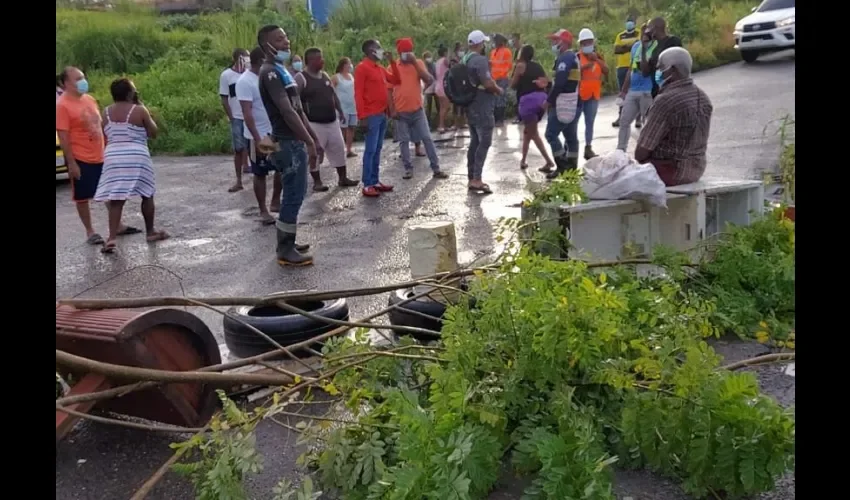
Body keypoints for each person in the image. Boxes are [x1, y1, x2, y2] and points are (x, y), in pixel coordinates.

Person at [257, 25, 321, 266]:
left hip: (294, 140)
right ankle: (285, 250)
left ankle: (288, 241)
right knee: (293, 195)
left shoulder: (281, 70)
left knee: (296, 192)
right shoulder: (270, 73)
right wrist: (307, 140)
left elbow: (297, 108)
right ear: (266, 45)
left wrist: (312, 137)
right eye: (279, 39)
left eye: (285, 37)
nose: (286, 42)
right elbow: (286, 111)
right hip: (287, 142)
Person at [57, 66, 137, 246]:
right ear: (65, 83)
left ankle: (118, 225)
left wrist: (110, 148)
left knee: (110, 190)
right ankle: (90, 231)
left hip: (101, 154)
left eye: (82, 77)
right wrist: (72, 164)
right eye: (77, 79)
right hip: (80, 157)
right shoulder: (62, 105)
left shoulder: (89, 99)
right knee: (83, 195)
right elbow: (63, 137)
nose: (82, 82)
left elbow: (100, 127)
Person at [93, 78, 168, 252]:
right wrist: (140, 104)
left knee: (116, 199)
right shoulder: (139, 110)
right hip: (136, 156)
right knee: (147, 194)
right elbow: (153, 132)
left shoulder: (106, 112)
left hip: (113, 156)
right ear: (130, 93)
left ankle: (111, 238)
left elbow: (105, 131)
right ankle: (150, 232)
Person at [635, 47, 712, 187]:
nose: (658, 73)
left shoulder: (666, 101)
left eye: (661, 68)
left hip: (670, 171)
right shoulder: (703, 97)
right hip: (696, 169)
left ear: (673, 70)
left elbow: (641, 152)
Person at [295, 47, 359, 192]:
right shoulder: (301, 78)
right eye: (319, 58)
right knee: (315, 153)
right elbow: (295, 100)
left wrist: (340, 110)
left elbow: (332, 94)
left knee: (338, 149)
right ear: (310, 61)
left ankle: (343, 178)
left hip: (332, 121)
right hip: (314, 123)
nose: (322, 61)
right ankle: (317, 182)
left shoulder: (324, 75)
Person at [390, 38, 449, 181]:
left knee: (427, 138)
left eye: (409, 51)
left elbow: (429, 79)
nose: (407, 54)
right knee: (404, 141)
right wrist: (392, 110)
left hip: (417, 110)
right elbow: (388, 90)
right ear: (399, 53)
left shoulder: (418, 63)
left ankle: (436, 169)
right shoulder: (392, 67)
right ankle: (408, 169)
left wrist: (415, 63)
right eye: (404, 52)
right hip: (401, 112)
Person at [237, 47, 281, 225]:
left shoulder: (269, 76)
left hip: (276, 132)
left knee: (281, 168)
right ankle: (263, 209)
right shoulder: (245, 82)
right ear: (261, 61)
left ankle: (276, 201)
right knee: (261, 172)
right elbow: (247, 112)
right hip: (261, 135)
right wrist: (257, 138)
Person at [354, 39, 401, 197]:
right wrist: (362, 116)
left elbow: (396, 80)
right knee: (370, 150)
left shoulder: (380, 68)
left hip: (381, 113)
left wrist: (392, 61)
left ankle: (374, 180)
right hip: (371, 115)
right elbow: (358, 93)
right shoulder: (362, 68)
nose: (381, 50)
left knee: (377, 149)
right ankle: (367, 184)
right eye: (378, 47)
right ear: (370, 51)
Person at [463, 30, 503, 194]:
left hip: (470, 106)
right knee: (484, 142)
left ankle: (471, 175)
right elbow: (487, 83)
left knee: (474, 141)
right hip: (482, 107)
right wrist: (498, 89)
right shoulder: (480, 60)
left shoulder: (465, 59)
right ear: (480, 44)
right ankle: (477, 179)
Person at [543, 29, 582, 179]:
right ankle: (572, 169)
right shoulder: (571, 57)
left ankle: (563, 167)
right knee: (570, 136)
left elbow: (559, 84)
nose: (553, 43)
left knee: (551, 134)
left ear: (564, 42)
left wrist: (548, 101)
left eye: (555, 40)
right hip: (575, 103)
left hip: (563, 104)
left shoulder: (565, 58)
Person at [510, 44, 554, 171]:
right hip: (541, 99)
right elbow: (546, 80)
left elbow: (513, 84)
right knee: (527, 132)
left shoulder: (520, 66)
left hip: (527, 101)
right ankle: (523, 161)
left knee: (533, 133)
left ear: (522, 54)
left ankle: (549, 161)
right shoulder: (538, 65)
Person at [616, 25, 656, 153]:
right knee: (624, 121)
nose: (643, 36)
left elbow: (645, 71)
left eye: (646, 33)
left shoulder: (655, 47)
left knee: (648, 123)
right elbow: (631, 69)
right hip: (633, 90)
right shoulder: (635, 47)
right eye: (642, 33)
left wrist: (644, 49)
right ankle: (620, 150)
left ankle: (649, 151)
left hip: (647, 91)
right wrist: (623, 91)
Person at [219, 48, 250, 192]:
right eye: (245, 57)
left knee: (257, 148)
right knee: (238, 149)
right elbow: (224, 98)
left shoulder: (250, 75)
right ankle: (239, 181)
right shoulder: (226, 75)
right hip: (237, 117)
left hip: (251, 116)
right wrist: (231, 116)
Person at [576, 28, 608, 160]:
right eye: (584, 43)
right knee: (573, 123)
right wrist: (585, 66)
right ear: (580, 45)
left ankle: (588, 148)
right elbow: (572, 73)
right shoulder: (577, 57)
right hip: (579, 95)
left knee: (590, 123)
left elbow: (606, 70)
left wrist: (596, 60)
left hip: (594, 95)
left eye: (589, 42)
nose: (587, 45)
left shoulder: (598, 57)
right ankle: (569, 147)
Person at [612, 15, 640, 128]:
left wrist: (624, 47)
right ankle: (621, 116)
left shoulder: (639, 33)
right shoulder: (620, 35)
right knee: (622, 93)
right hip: (622, 67)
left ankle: (638, 119)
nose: (629, 23)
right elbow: (616, 50)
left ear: (634, 23)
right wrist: (630, 46)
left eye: (631, 21)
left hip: (635, 66)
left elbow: (639, 46)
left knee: (637, 91)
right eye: (627, 21)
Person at [645, 17, 682, 99]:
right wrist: (643, 46)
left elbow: (676, 65)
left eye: (649, 27)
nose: (647, 31)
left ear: (655, 28)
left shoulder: (673, 41)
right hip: (657, 91)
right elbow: (646, 71)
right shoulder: (654, 48)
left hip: (671, 90)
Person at [331, 57, 358, 158]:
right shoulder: (336, 77)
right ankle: (339, 150)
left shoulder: (351, 76)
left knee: (351, 128)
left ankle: (349, 150)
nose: (350, 66)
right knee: (342, 129)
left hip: (353, 107)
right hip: (342, 108)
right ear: (343, 65)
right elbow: (330, 91)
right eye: (349, 63)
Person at [489, 34, 512, 127]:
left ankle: (500, 120)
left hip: (502, 77)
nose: (495, 42)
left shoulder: (507, 52)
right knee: (494, 99)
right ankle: (495, 119)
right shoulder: (493, 51)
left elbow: (509, 65)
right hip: (494, 78)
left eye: (496, 40)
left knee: (501, 99)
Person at [434, 46, 452, 133]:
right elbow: (450, 65)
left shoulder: (437, 61)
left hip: (438, 85)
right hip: (443, 86)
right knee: (446, 107)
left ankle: (442, 125)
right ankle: (441, 125)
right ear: (445, 52)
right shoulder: (445, 60)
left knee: (442, 107)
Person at [422, 51, 440, 121]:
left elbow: (437, 76)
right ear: (424, 58)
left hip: (435, 87)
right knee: (428, 107)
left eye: (429, 56)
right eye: (427, 57)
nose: (429, 58)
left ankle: (440, 123)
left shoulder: (434, 65)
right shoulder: (423, 66)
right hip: (427, 88)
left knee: (438, 105)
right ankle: (428, 123)